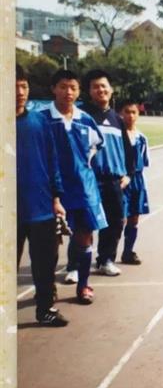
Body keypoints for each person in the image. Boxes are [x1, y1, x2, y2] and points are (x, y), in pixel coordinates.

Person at [41, 69, 107, 305]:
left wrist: (85, 167)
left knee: (85, 237)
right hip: (52, 190)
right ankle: (48, 288)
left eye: (73, 88)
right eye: (63, 87)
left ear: (79, 91)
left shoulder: (85, 119)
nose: (68, 92)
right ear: (53, 89)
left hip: (83, 189)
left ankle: (83, 285)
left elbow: (96, 146)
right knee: (50, 242)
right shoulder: (42, 119)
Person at [16, 65, 68, 326]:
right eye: (13, 87)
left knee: (45, 264)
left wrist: (56, 199)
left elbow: (52, 162)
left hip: (41, 207)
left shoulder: (39, 121)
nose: (19, 93)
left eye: (23, 86)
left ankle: (45, 309)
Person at [80, 69, 135, 276]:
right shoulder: (82, 116)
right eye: (95, 87)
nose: (100, 90)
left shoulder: (117, 120)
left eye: (104, 86)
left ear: (111, 90)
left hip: (113, 180)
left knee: (115, 221)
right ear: (89, 91)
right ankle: (76, 265)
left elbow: (128, 151)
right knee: (85, 223)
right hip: (89, 179)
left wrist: (128, 174)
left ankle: (106, 260)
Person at [118, 100, 150, 264]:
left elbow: (144, 162)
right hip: (120, 180)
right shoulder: (117, 136)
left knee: (134, 218)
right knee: (119, 219)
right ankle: (107, 255)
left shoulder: (142, 138)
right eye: (127, 112)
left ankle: (128, 251)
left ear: (138, 114)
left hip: (137, 180)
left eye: (133, 112)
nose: (130, 116)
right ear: (120, 113)